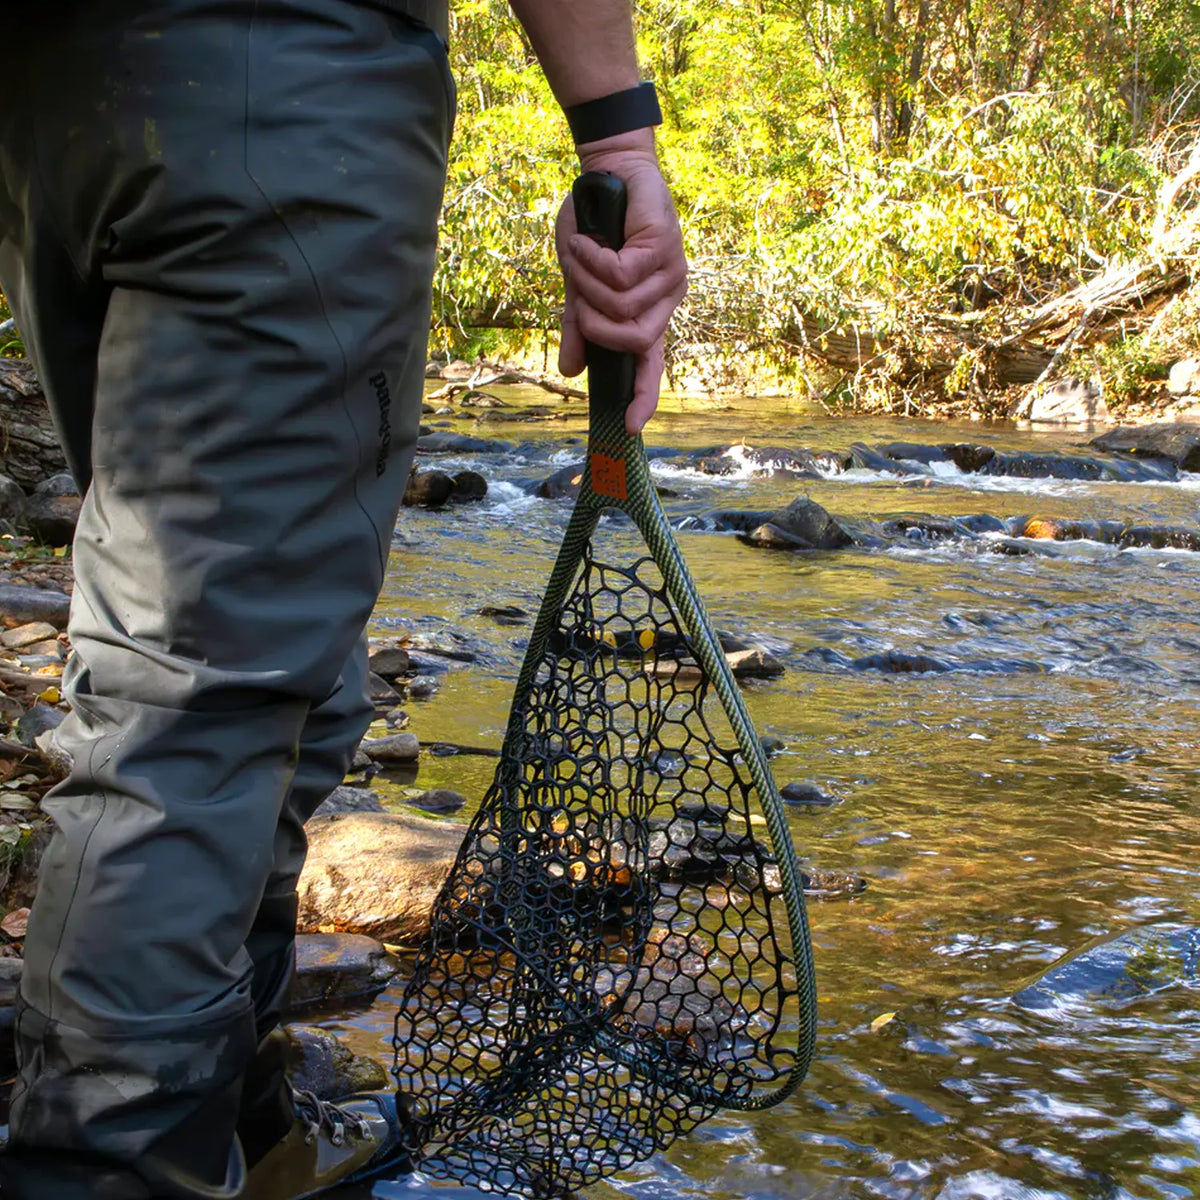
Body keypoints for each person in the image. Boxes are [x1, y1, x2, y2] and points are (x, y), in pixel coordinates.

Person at [0, 0, 688, 1196]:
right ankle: (112, 1171)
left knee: (280, 679)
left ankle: (238, 1123)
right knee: (196, 709)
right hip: (289, 83)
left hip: (51, 101)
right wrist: (617, 136)